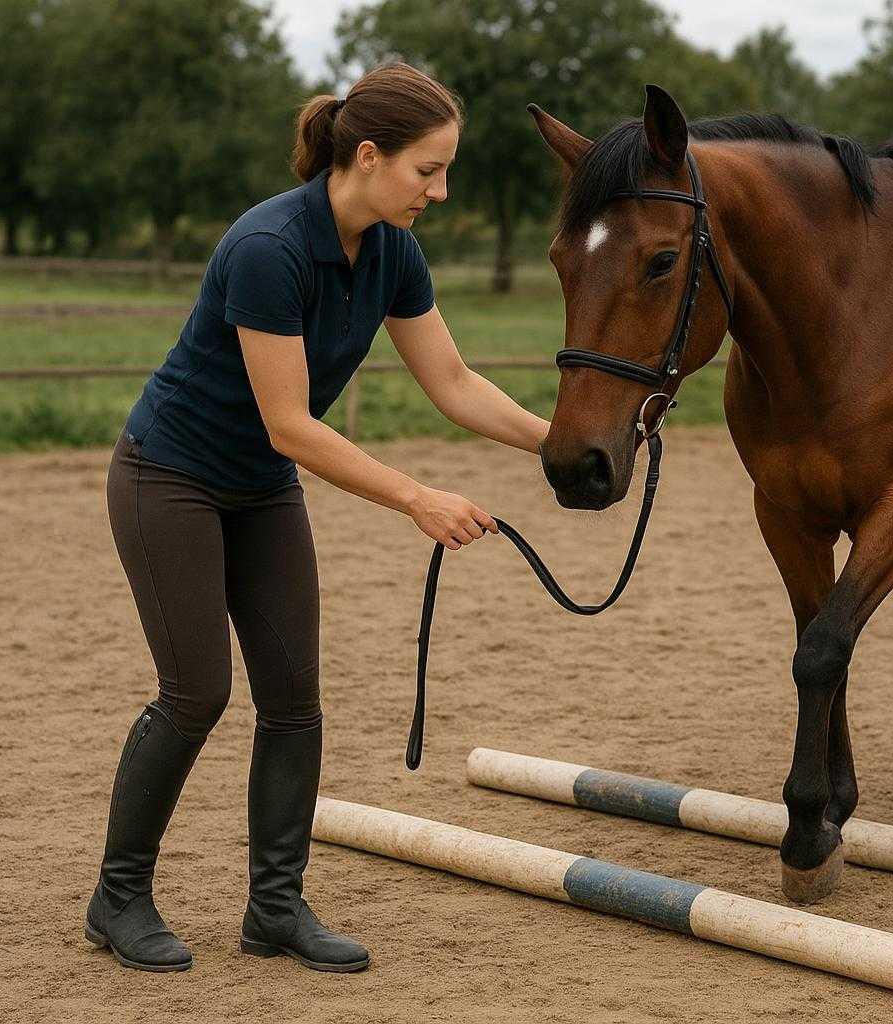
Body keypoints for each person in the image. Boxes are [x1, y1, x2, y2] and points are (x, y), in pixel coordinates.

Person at [86, 62, 548, 974]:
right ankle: (118, 897)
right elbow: (291, 425)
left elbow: (452, 383)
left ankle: (275, 910)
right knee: (198, 694)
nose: (441, 191)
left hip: (259, 491)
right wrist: (417, 496)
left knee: (295, 702)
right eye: (428, 170)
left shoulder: (391, 253)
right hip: (168, 479)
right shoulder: (270, 246)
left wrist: (563, 443)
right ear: (368, 157)